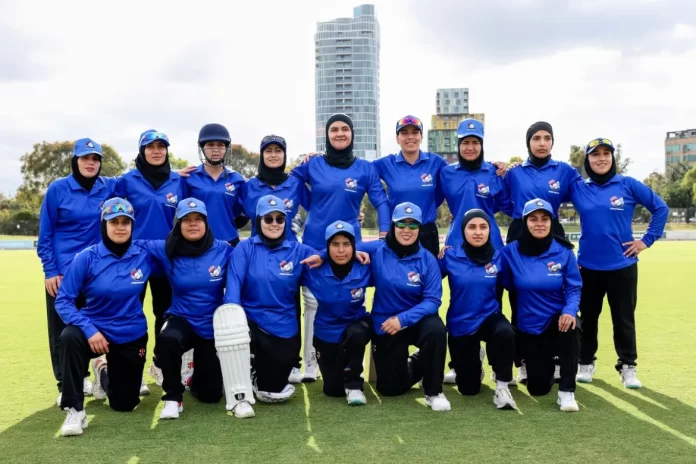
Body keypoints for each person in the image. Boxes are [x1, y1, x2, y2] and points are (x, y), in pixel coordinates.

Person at [134, 198, 255, 419]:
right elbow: (133, 244)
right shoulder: (166, 248)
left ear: (206, 223)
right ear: (178, 224)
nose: (192, 224)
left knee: (210, 395)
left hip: (213, 324)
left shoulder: (224, 250)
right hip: (182, 318)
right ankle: (173, 398)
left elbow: (248, 260)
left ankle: (193, 378)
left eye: (198, 219)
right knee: (167, 339)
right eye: (186, 219)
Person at [291, 113, 390, 382]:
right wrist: (309, 203)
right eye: (334, 129)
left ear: (352, 134)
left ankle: (350, 361)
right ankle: (310, 363)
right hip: (314, 245)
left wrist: (384, 233)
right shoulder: (313, 164)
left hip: (349, 248)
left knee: (350, 302)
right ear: (327, 135)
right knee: (313, 303)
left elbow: (381, 201)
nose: (339, 133)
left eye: (345, 129)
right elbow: (291, 181)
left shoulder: (365, 168)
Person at [570, 138, 668, 388]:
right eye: (595, 154)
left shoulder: (628, 184)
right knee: (588, 318)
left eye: (606, 153)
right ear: (587, 160)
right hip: (587, 267)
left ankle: (627, 367)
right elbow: (546, 203)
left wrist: (646, 240)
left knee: (623, 319)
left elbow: (660, 208)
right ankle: (585, 363)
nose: (601, 158)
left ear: (612, 158)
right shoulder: (578, 187)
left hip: (622, 266)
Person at [54, 198, 153, 436]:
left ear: (132, 226)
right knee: (69, 337)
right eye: (114, 222)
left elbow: (177, 248)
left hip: (130, 333)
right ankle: (75, 410)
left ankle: (102, 371)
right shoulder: (86, 257)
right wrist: (89, 330)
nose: (120, 227)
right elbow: (63, 300)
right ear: (103, 225)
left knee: (125, 404)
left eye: (125, 222)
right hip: (94, 330)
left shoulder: (145, 254)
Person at [37, 138, 117, 406]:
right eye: (85, 158)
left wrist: (176, 173)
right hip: (63, 273)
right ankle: (67, 383)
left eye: (95, 159)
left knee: (95, 323)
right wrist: (50, 270)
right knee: (62, 330)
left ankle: (97, 371)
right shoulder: (58, 189)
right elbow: (46, 234)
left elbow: (138, 179)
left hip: (96, 272)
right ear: (75, 160)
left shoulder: (108, 187)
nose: (91, 163)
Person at [224, 195, 323, 403]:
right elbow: (233, 290)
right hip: (250, 324)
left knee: (273, 391)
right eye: (268, 219)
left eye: (280, 219)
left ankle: (258, 374)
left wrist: (327, 256)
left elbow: (334, 256)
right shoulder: (245, 249)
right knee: (236, 334)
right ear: (258, 221)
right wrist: (231, 321)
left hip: (283, 328)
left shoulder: (298, 251)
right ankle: (243, 370)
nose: (274, 224)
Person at [502, 121, 581, 384]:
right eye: (536, 138)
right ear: (528, 143)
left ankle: (559, 357)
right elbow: (500, 197)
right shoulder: (514, 172)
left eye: (547, 138)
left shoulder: (564, 170)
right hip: (519, 230)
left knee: (557, 290)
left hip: (551, 228)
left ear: (552, 142)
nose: (542, 143)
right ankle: (522, 361)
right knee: (518, 296)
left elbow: (583, 194)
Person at [438, 119, 511, 384]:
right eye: (465, 142)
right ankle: (460, 362)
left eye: (475, 142)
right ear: (458, 145)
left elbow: (507, 205)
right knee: (459, 300)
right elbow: (430, 201)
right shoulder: (446, 173)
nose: (470, 147)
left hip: (491, 246)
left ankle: (497, 365)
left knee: (493, 304)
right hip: (456, 246)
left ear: (482, 145)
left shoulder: (493, 172)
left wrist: (508, 170)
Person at [360, 202, 449, 411]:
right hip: (386, 323)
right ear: (393, 226)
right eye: (401, 224)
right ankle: (419, 361)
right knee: (390, 388)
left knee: (436, 330)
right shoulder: (377, 249)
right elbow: (341, 247)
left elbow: (433, 300)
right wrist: (323, 255)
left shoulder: (427, 259)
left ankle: (434, 392)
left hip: (417, 321)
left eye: (413, 225)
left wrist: (403, 320)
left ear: (419, 228)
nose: (407, 230)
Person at [115, 130, 187, 386]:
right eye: (151, 147)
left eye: (161, 147)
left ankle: (160, 364)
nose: (156, 151)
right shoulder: (127, 180)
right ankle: (130, 369)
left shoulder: (178, 181)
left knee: (166, 314)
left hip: (167, 259)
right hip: (133, 259)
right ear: (142, 151)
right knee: (129, 314)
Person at [238, 134, 310, 383]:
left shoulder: (295, 182)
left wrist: (300, 224)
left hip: (289, 253)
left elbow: (318, 206)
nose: (273, 155)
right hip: (255, 253)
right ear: (262, 155)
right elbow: (234, 214)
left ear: (284, 155)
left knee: (291, 305)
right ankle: (250, 359)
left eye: (278, 151)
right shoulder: (248, 186)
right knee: (251, 301)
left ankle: (293, 363)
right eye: (268, 151)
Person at [499, 199, 582, 412]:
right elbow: (500, 277)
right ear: (525, 222)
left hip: (558, 320)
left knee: (571, 326)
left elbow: (574, 288)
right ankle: (549, 362)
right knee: (538, 388)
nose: (539, 224)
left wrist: (569, 311)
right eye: (533, 219)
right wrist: (449, 252)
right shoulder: (510, 252)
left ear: (551, 222)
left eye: (544, 219)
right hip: (530, 326)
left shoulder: (564, 251)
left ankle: (567, 392)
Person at [440, 209, 516, 410]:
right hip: (461, 324)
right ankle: (476, 357)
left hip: (489, 317)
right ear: (463, 231)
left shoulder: (499, 257)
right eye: (472, 227)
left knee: (505, 332)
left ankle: (502, 387)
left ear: (489, 231)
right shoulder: (449, 256)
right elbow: (427, 277)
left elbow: (515, 284)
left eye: (483, 227)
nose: (478, 232)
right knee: (468, 389)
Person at [301, 221, 372, 405]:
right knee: (333, 391)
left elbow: (384, 246)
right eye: (335, 244)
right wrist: (322, 256)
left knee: (356, 333)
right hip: (326, 332)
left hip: (356, 324)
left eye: (346, 244)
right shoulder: (313, 269)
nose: (341, 250)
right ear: (327, 246)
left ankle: (354, 385)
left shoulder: (364, 266)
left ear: (354, 246)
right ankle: (343, 374)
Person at [372, 115, 447, 256]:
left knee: (429, 269)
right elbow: (360, 172)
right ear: (397, 138)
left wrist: (492, 166)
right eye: (404, 133)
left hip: (426, 233)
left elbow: (458, 175)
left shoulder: (436, 162)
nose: (410, 137)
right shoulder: (386, 164)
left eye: (415, 132)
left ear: (421, 136)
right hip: (399, 231)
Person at [183, 124, 247, 245]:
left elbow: (243, 213)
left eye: (220, 145)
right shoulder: (189, 177)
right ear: (202, 147)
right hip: (197, 243)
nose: (216, 150)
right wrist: (174, 174)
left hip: (229, 242)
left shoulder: (237, 179)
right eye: (210, 145)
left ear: (226, 148)